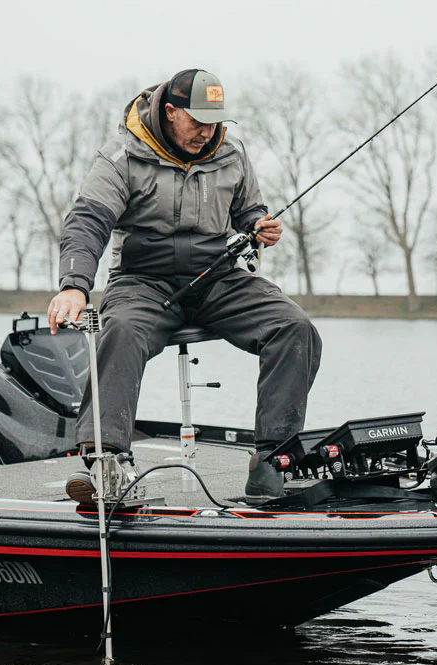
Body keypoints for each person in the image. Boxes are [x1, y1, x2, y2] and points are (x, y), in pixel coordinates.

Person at [47, 68, 322, 505]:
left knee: (295, 328)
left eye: (215, 122)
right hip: (143, 282)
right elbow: (87, 222)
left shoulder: (232, 153)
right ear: (172, 112)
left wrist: (258, 225)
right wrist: (74, 286)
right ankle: (106, 462)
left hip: (218, 277)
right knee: (120, 332)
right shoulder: (122, 156)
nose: (207, 132)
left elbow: (248, 209)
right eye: (198, 122)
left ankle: (273, 461)